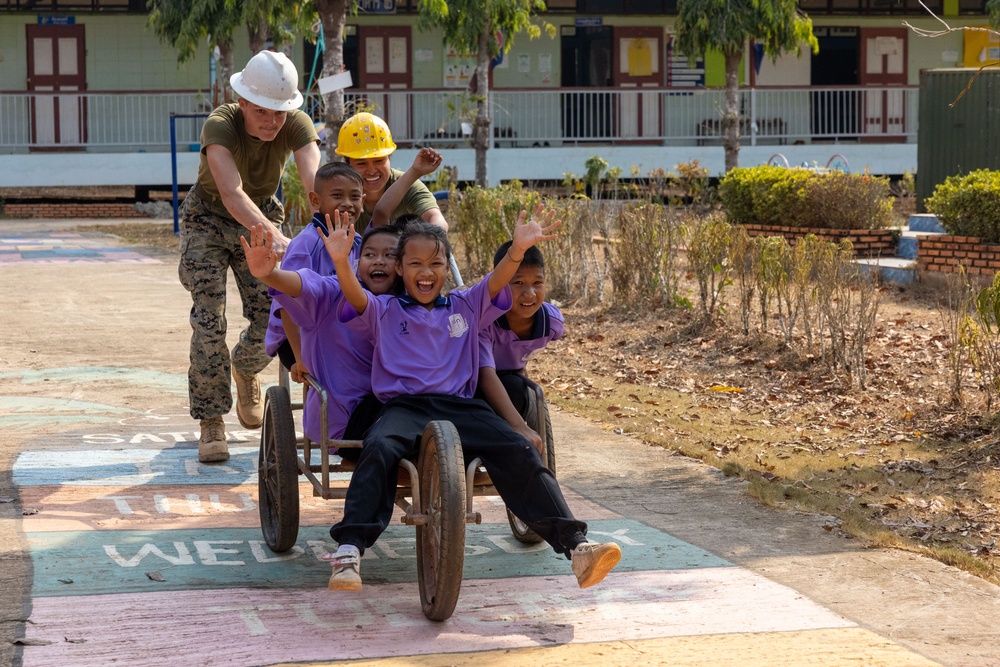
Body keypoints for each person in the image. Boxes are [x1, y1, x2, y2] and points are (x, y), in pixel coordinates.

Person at [321, 211, 623, 592]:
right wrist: (339, 261)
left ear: (447, 267)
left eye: (435, 263)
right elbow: (353, 296)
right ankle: (349, 551)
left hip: (461, 407)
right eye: (415, 263)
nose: (426, 271)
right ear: (400, 268)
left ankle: (577, 547)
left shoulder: (465, 305)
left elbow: (497, 281)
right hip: (404, 408)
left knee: (517, 448)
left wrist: (518, 249)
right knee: (378, 447)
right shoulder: (384, 310)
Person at [178, 50, 321, 464]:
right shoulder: (219, 125)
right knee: (209, 321)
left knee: (274, 315)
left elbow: (316, 184)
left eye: (280, 113)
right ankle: (211, 421)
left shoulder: (295, 124)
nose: (273, 122)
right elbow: (230, 192)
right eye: (262, 112)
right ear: (241, 102)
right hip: (209, 218)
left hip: (260, 215)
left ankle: (244, 368)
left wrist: (328, 225)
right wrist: (276, 235)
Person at [243, 221, 404, 445]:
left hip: (390, 414)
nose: (379, 260)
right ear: (357, 263)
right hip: (344, 419)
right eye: (370, 254)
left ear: (402, 266)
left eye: (390, 255)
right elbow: (303, 284)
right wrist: (270, 275)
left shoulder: (409, 303)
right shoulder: (333, 292)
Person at [335, 112, 448, 232]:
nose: (371, 170)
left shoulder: (407, 184)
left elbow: (435, 218)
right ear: (347, 164)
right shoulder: (338, 193)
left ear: (390, 158)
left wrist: (434, 238)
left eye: (378, 161)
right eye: (361, 163)